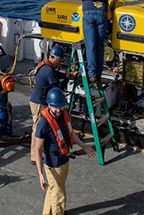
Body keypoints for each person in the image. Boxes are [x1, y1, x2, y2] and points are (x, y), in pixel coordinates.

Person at [35, 87, 95, 215]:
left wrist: (84, 146)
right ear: (49, 105)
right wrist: (40, 174)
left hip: (64, 159)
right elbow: (38, 149)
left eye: (60, 107)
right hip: (53, 164)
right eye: (55, 107)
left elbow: (71, 133)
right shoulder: (43, 123)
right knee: (59, 196)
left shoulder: (64, 115)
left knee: (53, 191)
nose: (58, 110)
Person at [79, 0, 118, 83]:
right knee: (100, 46)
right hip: (101, 15)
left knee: (91, 46)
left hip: (88, 16)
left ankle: (92, 74)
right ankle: (99, 74)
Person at [30, 45, 68, 165]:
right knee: (37, 129)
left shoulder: (45, 66)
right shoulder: (49, 71)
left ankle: (39, 152)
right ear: (56, 59)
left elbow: (55, 74)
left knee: (41, 128)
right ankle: (34, 157)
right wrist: (68, 79)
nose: (60, 63)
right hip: (39, 103)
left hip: (38, 100)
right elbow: (58, 89)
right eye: (60, 60)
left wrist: (65, 75)